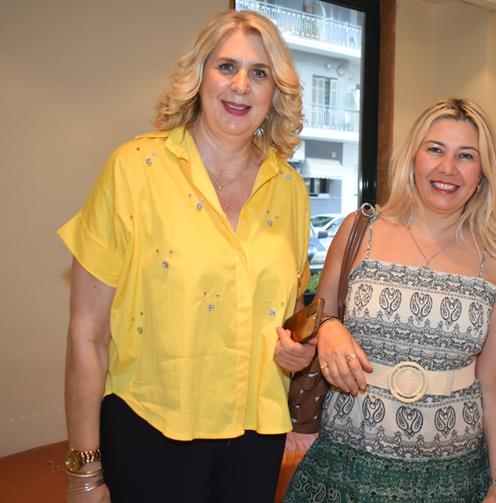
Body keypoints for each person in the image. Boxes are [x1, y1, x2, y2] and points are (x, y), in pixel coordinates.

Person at [58, 10, 315, 502]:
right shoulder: (134, 170)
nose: (241, 85)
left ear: (275, 92)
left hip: (255, 439)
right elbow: (86, 334)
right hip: (151, 430)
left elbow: (285, 314)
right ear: (199, 76)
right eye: (227, 67)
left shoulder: (291, 190)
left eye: (260, 73)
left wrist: (297, 350)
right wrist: (85, 473)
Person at [283, 98, 496, 502]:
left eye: (466, 156)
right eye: (435, 149)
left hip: (452, 476)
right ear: (413, 157)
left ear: (482, 172)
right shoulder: (360, 230)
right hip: (348, 467)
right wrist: (331, 326)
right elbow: (317, 319)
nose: (448, 168)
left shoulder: (495, 256)